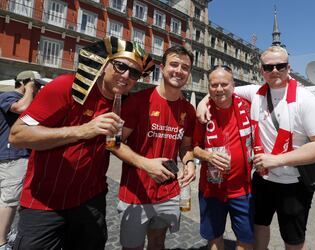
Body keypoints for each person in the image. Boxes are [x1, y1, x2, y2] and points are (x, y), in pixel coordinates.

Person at [8, 36, 155, 250]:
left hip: (91, 200)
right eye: (120, 66)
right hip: (44, 202)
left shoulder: (123, 102)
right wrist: (84, 130)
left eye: (134, 73)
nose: (126, 75)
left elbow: (113, 143)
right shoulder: (67, 86)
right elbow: (17, 135)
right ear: (104, 64)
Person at [197, 46, 315, 250]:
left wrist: (278, 159)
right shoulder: (255, 92)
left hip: (293, 182)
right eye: (269, 67)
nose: (275, 71)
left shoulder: (306, 100)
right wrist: (202, 102)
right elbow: (220, 89)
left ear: (289, 67)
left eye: (280, 66)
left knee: (293, 238)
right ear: (262, 70)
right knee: (259, 226)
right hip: (262, 179)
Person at [109, 45, 196, 250]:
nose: (179, 71)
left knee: (158, 242)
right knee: (133, 247)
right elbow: (113, 143)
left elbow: (185, 146)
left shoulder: (188, 110)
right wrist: (146, 164)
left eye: (185, 67)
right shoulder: (139, 101)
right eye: (174, 64)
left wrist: (190, 162)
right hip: (136, 193)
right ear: (162, 67)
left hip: (169, 192)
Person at [193, 65, 253, 250]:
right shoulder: (202, 113)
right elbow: (193, 148)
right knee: (214, 237)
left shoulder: (248, 106)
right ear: (208, 87)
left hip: (242, 189)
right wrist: (207, 155)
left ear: (234, 85)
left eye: (224, 84)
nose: (219, 89)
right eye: (214, 85)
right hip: (211, 189)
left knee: (246, 239)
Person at [0, 71, 44, 250]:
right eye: (37, 85)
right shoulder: (9, 95)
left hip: (17, 155)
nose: (39, 89)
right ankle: (1, 242)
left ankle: (5, 232)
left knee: (8, 198)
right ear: (25, 83)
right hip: (12, 156)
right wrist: (30, 89)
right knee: (9, 200)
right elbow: (21, 108)